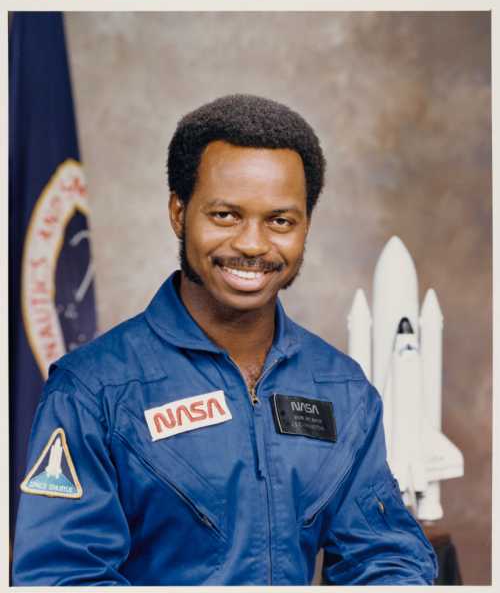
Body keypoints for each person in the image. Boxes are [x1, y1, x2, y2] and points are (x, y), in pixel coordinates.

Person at [12, 94, 437, 585]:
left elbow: (387, 556)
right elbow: (62, 577)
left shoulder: (340, 388)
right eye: (226, 215)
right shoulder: (93, 392)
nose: (253, 244)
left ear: (305, 227)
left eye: (280, 221)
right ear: (179, 211)